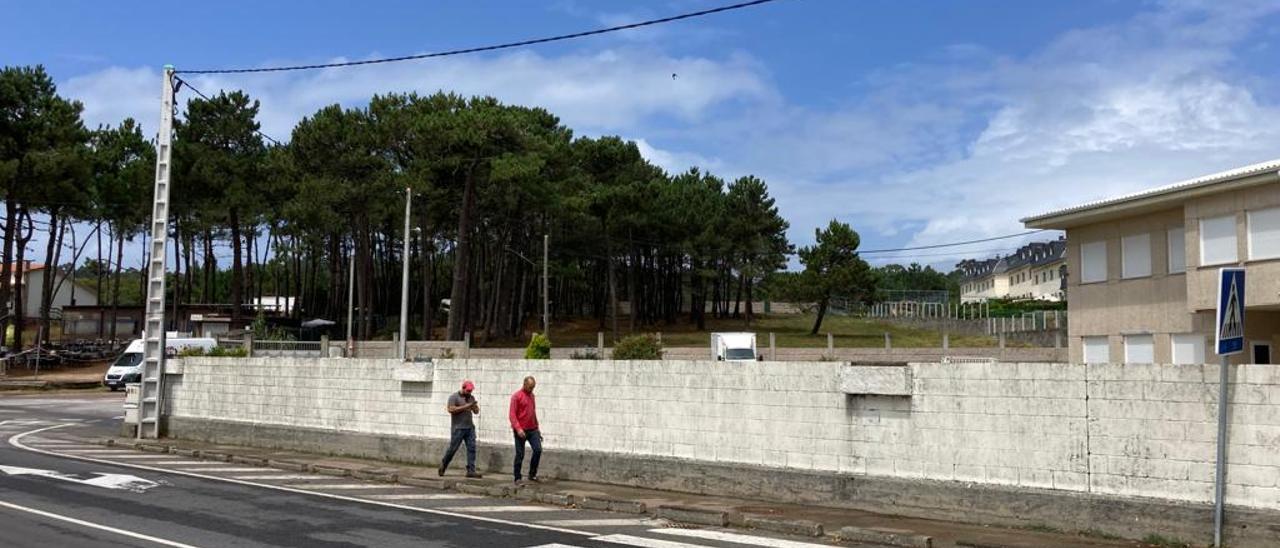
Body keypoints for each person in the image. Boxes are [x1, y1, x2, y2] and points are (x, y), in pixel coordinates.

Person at [439, 380, 482, 478]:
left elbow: (476, 412)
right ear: (463, 388)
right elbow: (451, 409)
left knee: (472, 448)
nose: (469, 393)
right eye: (468, 391)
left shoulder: (471, 398)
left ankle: (471, 470)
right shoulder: (454, 397)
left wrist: (474, 406)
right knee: (453, 449)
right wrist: (466, 406)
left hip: (469, 427)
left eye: (471, 391)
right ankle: (444, 464)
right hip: (458, 428)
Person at [509, 376, 541, 483]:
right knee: (520, 454)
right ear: (525, 384)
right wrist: (518, 429)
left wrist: (537, 428)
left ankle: (532, 474)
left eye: (533, 387)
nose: (532, 389)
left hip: (532, 429)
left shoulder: (532, 396)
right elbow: (512, 415)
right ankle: (517, 477)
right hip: (521, 430)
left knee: (538, 450)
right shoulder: (516, 397)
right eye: (530, 387)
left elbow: (533, 413)